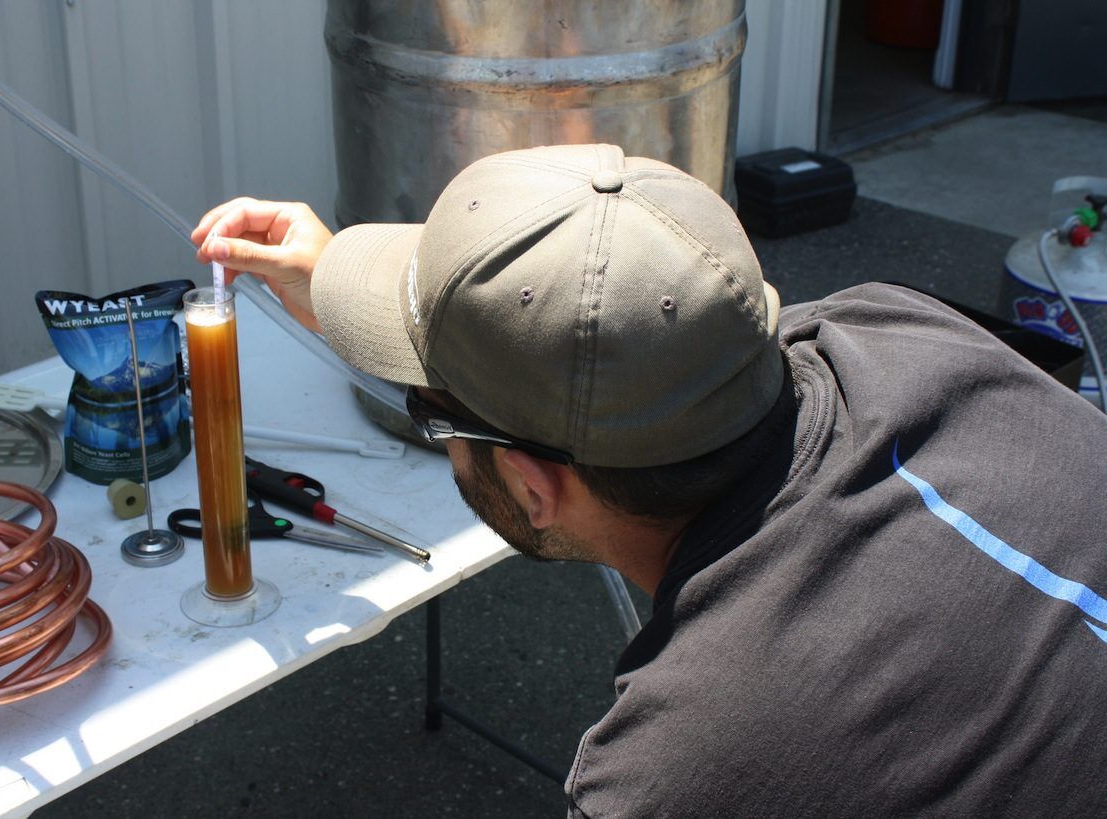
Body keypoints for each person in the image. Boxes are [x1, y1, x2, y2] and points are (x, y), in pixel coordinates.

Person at [193, 144, 1107, 816]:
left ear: (535, 485)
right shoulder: (899, 326)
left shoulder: (679, 774)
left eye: (430, 412)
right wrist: (358, 287)